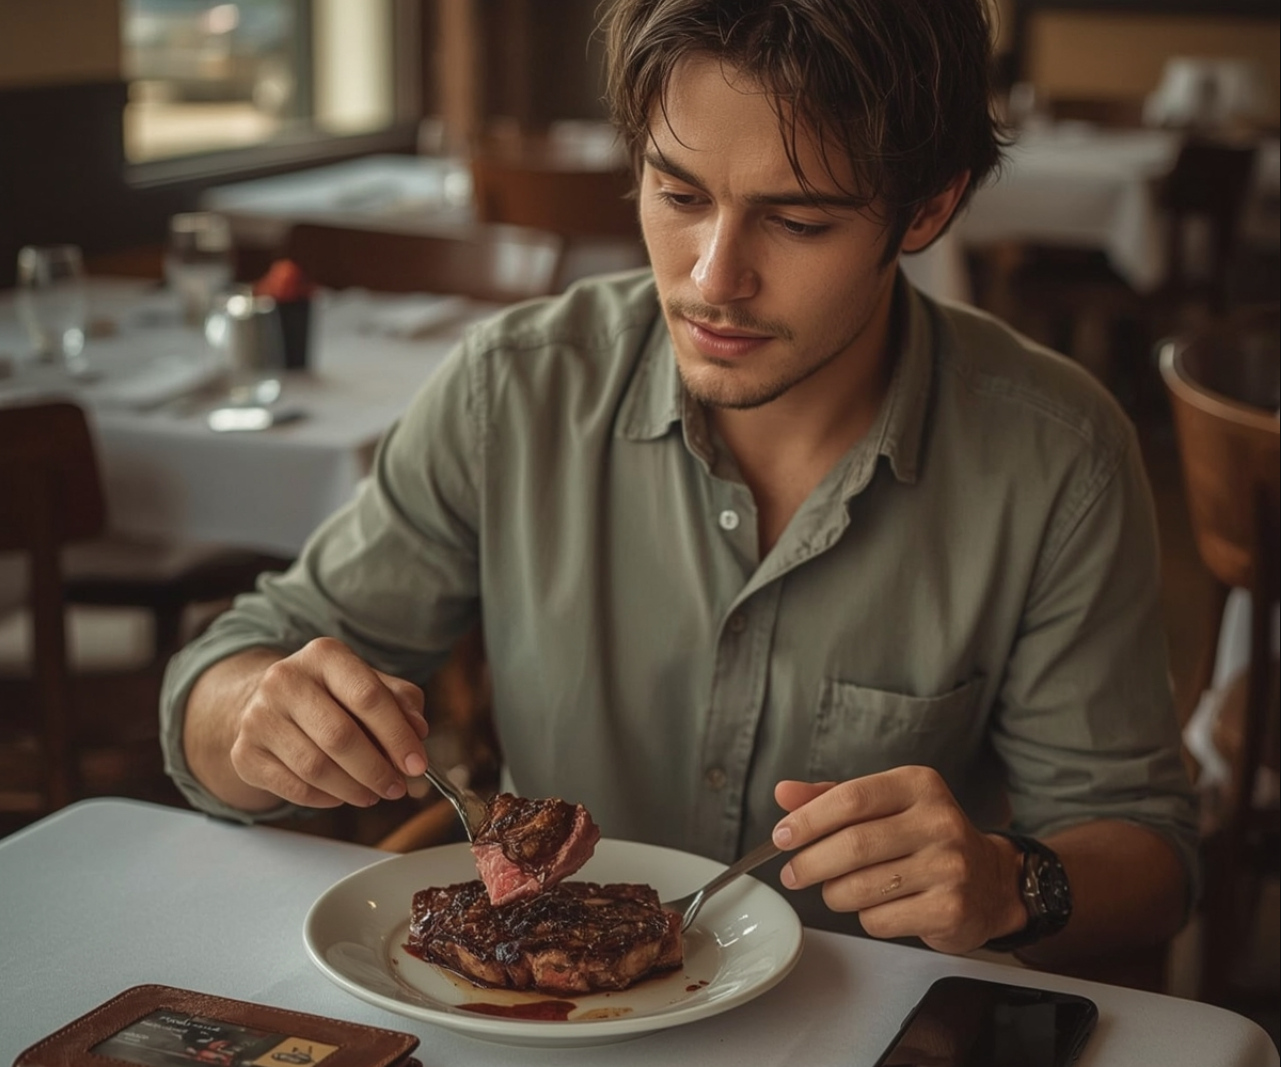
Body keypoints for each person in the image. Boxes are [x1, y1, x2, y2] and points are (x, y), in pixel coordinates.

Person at [160, 0, 1198, 967]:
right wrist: (260, 711)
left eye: (796, 222)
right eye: (678, 193)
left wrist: (1015, 881)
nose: (712, 278)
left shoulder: (1059, 454)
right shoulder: (512, 391)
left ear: (925, 209)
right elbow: (220, 680)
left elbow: (1148, 854)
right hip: (531, 1011)